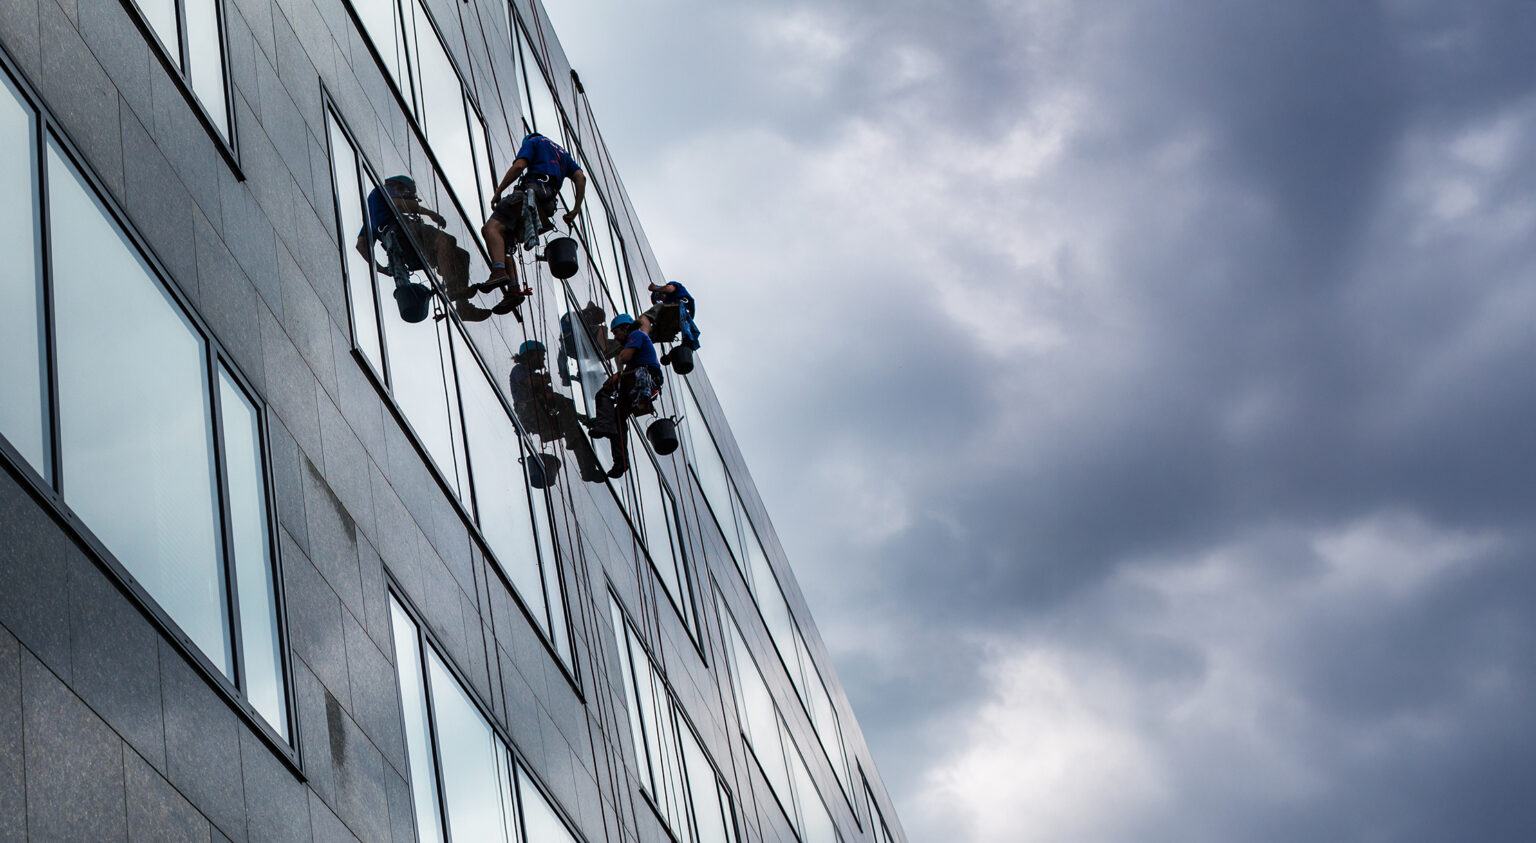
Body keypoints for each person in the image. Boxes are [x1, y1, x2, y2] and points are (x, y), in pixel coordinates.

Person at [355, 175, 517, 319]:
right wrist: (430, 213)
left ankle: (463, 306)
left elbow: (361, 244)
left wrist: (381, 268)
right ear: (400, 186)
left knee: (462, 256)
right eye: (408, 193)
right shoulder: (384, 190)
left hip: (404, 246)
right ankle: (453, 286)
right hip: (401, 232)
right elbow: (398, 203)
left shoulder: (373, 215)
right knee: (445, 241)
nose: (409, 197)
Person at [482, 132, 588, 290]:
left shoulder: (535, 142)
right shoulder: (564, 154)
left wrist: (498, 192)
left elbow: (519, 166)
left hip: (532, 192)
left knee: (491, 228)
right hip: (548, 204)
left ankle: (498, 271)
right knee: (505, 239)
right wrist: (575, 210)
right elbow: (581, 178)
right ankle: (513, 289)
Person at [589, 313, 662, 477]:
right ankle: (621, 462)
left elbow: (626, 356)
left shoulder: (636, 334)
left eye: (616, 333)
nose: (615, 338)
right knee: (618, 419)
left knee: (602, 395)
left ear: (626, 328)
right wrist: (619, 374)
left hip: (643, 376)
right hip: (640, 377)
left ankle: (605, 425)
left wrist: (620, 366)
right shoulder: (637, 336)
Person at [643, 280, 700, 353]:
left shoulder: (675, 287)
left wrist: (655, 288)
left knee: (658, 311)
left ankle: (644, 336)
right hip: (681, 318)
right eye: (659, 299)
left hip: (681, 309)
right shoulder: (669, 303)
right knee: (686, 339)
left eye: (660, 296)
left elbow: (670, 288)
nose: (661, 299)